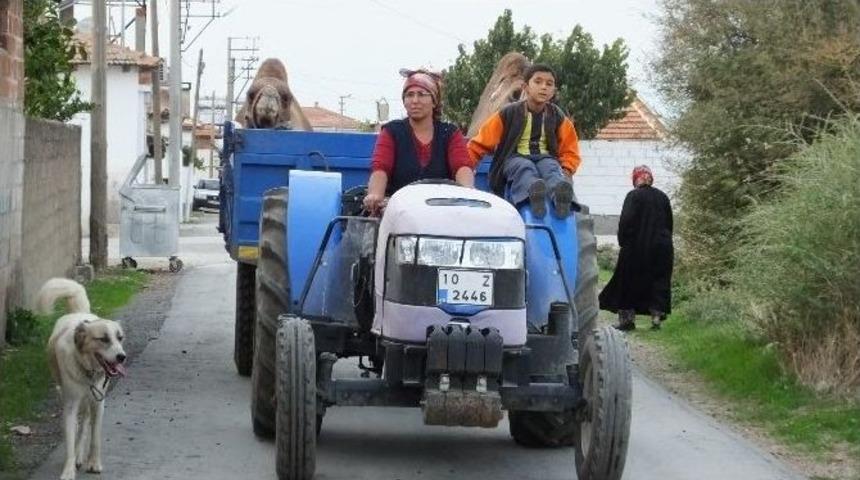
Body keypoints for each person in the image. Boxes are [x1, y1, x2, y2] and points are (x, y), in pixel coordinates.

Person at [467, 64, 581, 218]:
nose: (544, 87)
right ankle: (532, 194)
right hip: (515, 157)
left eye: (549, 84)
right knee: (524, 168)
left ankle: (561, 195)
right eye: (538, 82)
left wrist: (566, 170)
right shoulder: (508, 113)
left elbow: (570, 147)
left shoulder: (557, 116)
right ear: (526, 87)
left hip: (545, 157)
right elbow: (480, 142)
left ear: (553, 91)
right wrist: (466, 167)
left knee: (552, 168)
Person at [362, 69, 475, 215]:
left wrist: (467, 194)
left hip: (441, 214)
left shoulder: (450, 133)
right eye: (410, 95)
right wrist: (375, 195)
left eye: (421, 95)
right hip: (398, 214)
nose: (415, 100)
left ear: (434, 101)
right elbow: (380, 167)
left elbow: (462, 166)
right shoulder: (391, 131)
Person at [599, 165, 674, 330]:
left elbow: (626, 221)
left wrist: (622, 241)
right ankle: (656, 319)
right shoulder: (663, 197)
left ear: (636, 179)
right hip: (662, 247)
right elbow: (669, 223)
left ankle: (627, 320)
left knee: (627, 281)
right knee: (658, 281)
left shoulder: (633, 196)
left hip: (637, 247)